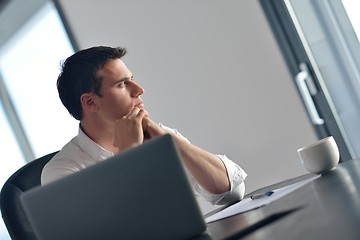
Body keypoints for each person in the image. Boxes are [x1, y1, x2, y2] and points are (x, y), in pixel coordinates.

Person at [41, 46, 247, 205]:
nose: (139, 90)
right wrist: (129, 155)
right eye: (122, 84)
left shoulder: (158, 137)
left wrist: (171, 140)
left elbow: (232, 193)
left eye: (132, 79)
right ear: (90, 102)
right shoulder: (61, 172)